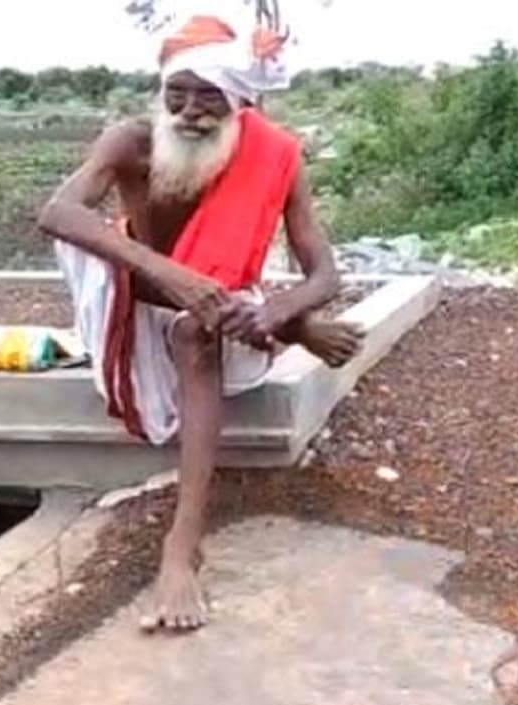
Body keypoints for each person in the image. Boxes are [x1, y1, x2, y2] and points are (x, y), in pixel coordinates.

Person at [38, 14, 363, 633]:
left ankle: (181, 547)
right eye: (177, 94)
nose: (190, 112)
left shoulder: (274, 156)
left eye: (210, 97)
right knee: (194, 309)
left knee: (199, 329)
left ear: (241, 101)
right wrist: (171, 273)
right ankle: (294, 334)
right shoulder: (130, 142)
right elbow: (58, 214)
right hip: (142, 303)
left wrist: (274, 312)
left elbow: (324, 275)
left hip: (220, 314)